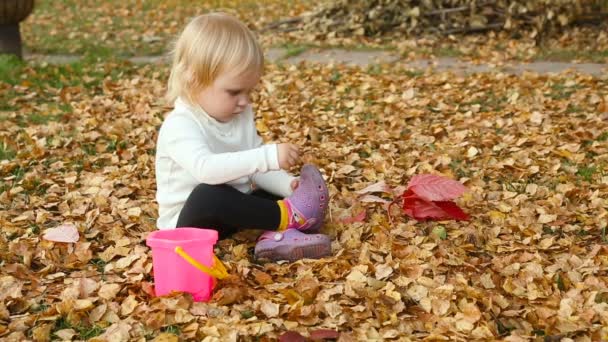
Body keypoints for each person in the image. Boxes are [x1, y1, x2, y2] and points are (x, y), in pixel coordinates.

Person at [154, 13, 331, 262]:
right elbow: (207, 170)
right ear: (193, 79)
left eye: (249, 91)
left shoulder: (240, 113)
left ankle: (276, 238)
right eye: (234, 92)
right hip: (187, 228)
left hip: (229, 218)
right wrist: (268, 155)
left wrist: (287, 185)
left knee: (269, 194)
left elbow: (255, 170)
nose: (244, 101)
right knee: (208, 194)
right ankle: (290, 217)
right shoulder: (180, 125)